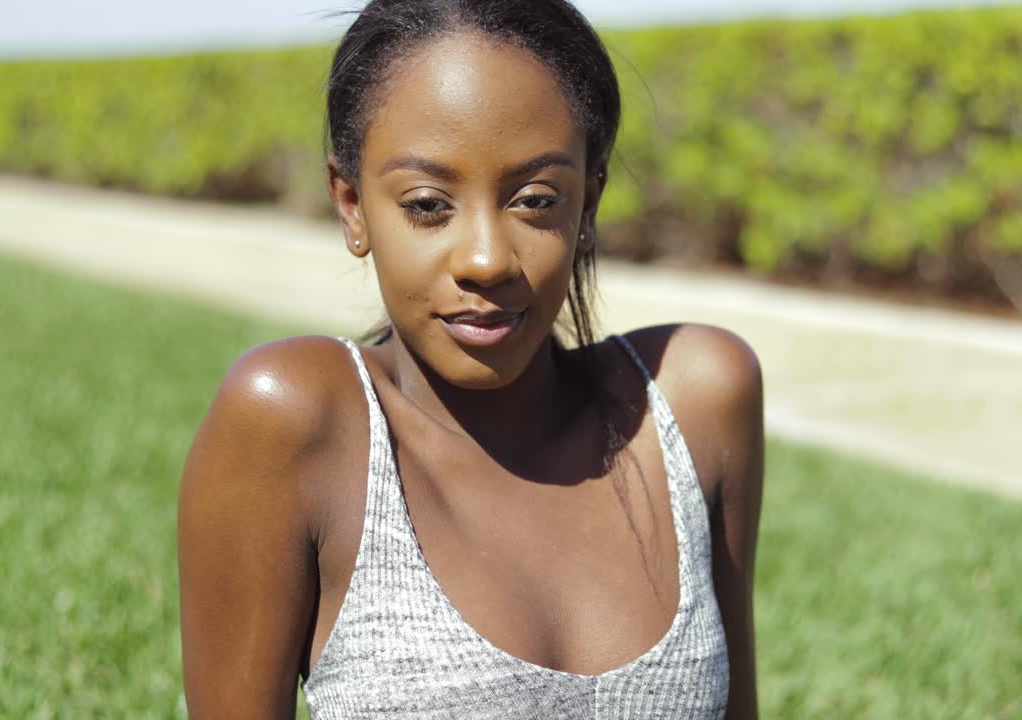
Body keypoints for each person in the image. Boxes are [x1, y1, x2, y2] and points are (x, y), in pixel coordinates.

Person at [176, 0, 764, 717]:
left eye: (536, 200)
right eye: (427, 205)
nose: (486, 259)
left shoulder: (693, 400)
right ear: (352, 206)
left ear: (588, 206)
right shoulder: (296, 421)